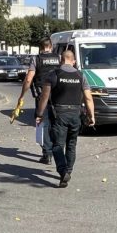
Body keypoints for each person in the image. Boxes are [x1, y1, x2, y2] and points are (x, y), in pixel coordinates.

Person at [35, 51, 95, 188]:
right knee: (72, 144)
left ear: (61, 61)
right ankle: (68, 171)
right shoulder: (81, 75)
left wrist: (39, 114)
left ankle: (62, 171)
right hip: (75, 114)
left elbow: (44, 97)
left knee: (57, 145)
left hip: (59, 114)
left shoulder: (53, 75)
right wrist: (92, 116)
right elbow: (88, 98)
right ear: (73, 61)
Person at [17, 38, 61, 163]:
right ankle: (56, 150)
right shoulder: (58, 58)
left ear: (40, 48)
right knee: (56, 123)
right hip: (57, 95)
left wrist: (22, 95)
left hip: (42, 96)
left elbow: (28, 79)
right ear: (51, 47)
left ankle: (47, 153)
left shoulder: (36, 59)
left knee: (43, 123)